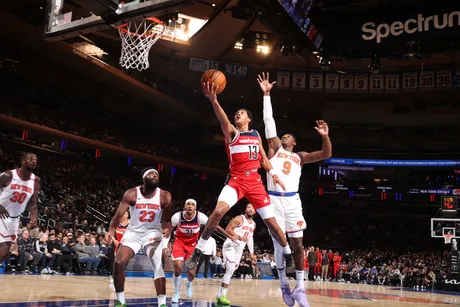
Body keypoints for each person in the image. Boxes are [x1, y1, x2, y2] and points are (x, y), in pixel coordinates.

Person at [186, 81, 294, 274]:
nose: (238, 114)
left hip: (254, 182)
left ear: (249, 119)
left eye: (242, 112)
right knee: (218, 211)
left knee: (272, 224)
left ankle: (287, 253)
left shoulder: (255, 134)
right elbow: (222, 120)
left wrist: (274, 175)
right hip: (236, 180)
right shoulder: (232, 133)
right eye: (236, 112)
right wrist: (214, 101)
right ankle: (199, 249)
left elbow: (263, 159)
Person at [258, 72, 332, 306]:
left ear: (294, 142)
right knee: (280, 244)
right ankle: (283, 284)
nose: (284, 136)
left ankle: (300, 288)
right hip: (273, 200)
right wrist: (267, 95)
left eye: (288, 136)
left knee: (298, 245)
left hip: (292, 201)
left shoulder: (299, 156)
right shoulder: (274, 150)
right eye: (283, 135)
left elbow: (326, 154)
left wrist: (325, 137)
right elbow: (269, 123)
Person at [105, 168, 172, 307]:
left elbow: (167, 221)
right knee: (118, 262)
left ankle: (162, 303)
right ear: (143, 178)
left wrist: (167, 228)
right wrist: (111, 232)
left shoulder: (164, 195)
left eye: (157, 174)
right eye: (151, 174)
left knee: (158, 264)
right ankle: (121, 301)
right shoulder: (131, 193)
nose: (154, 175)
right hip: (134, 232)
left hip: (152, 233)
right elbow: (118, 216)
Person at [0, 153, 40, 264]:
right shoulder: (9, 175)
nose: (33, 161)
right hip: (1, 214)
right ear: (22, 161)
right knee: (4, 246)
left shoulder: (35, 181)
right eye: (30, 159)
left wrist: (34, 213)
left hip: (14, 218)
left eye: (35, 160)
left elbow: (33, 202)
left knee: (6, 249)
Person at [217, 203, 256, 305]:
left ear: (255, 211)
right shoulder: (240, 218)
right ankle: (223, 296)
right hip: (230, 245)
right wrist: (239, 237)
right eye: (248, 207)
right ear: (245, 210)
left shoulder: (253, 224)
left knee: (230, 271)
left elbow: (250, 239)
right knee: (230, 269)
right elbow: (228, 229)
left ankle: (219, 295)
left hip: (239, 249)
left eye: (253, 208)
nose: (251, 209)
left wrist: (251, 253)